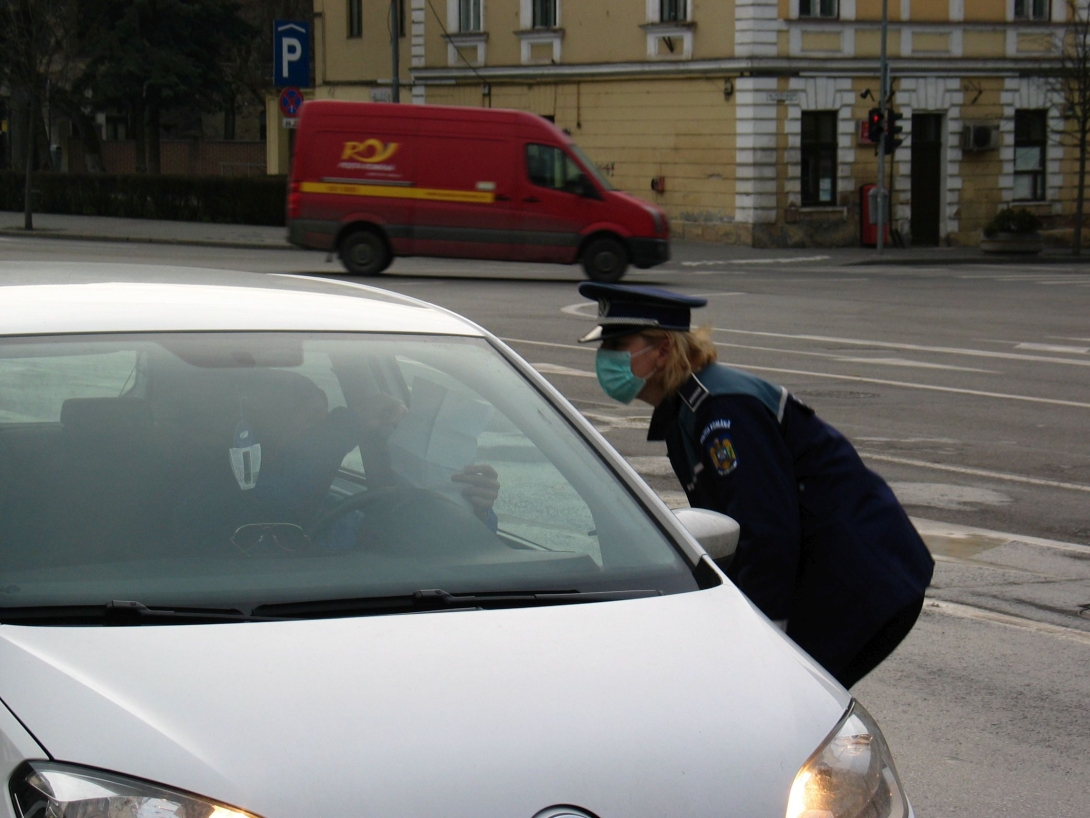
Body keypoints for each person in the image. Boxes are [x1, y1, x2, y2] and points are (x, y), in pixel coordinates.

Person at [577, 282, 934, 688]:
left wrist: (764, 639)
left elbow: (766, 531)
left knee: (795, 710)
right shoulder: (687, 407)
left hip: (862, 579)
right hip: (832, 576)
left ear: (661, 350)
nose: (604, 359)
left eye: (617, 345)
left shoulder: (722, 410)